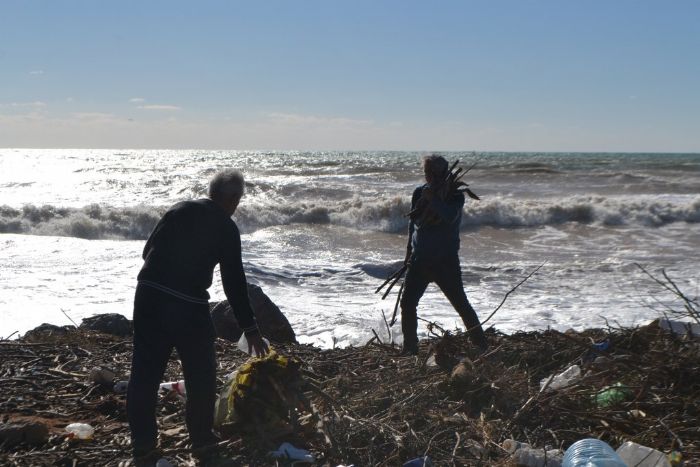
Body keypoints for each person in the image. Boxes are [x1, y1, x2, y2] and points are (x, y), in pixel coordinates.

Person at [127, 169, 268, 466]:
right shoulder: (226, 227)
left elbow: (146, 253)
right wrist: (250, 328)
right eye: (238, 200)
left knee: (145, 373)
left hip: (148, 295)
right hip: (188, 304)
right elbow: (233, 282)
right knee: (201, 374)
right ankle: (201, 440)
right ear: (231, 198)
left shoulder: (179, 210)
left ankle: (143, 446)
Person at [400, 154, 488, 355]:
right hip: (419, 259)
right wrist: (408, 250)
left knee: (461, 304)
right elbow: (413, 222)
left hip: (445, 261)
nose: (429, 177)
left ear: (444, 173)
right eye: (427, 173)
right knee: (408, 303)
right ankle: (410, 349)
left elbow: (449, 217)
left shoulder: (455, 195)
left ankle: (481, 345)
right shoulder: (419, 192)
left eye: (434, 173)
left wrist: (434, 200)